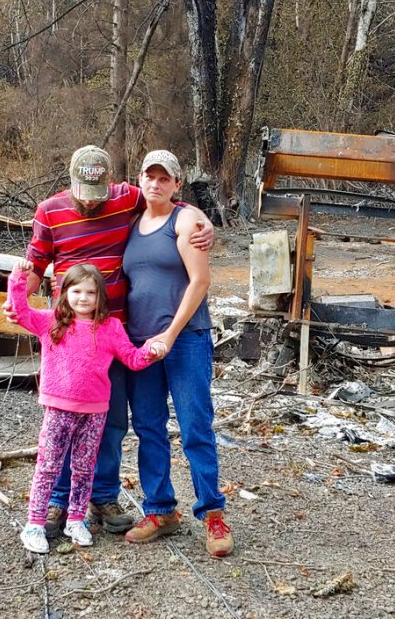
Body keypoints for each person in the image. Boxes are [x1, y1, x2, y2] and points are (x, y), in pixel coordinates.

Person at [3, 145, 214, 538]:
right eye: (83, 192)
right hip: (66, 331)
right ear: (70, 181)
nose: (90, 200)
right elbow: (34, 260)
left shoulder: (127, 198)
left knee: (109, 420)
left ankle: (101, 495)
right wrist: (19, 298)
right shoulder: (50, 211)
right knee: (62, 417)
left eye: (98, 193)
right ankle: (57, 501)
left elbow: (168, 201)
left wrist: (202, 224)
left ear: (112, 185)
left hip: (114, 330)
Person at [121, 150, 233, 557]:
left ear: (176, 184)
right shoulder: (130, 223)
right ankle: (161, 510)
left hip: (184, 340)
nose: (155, 184)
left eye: (164, 178)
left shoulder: (186, 220)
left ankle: (213, 515)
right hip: (140, 343)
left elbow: (200, 281)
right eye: (149, 176)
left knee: (194, 427)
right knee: (149, 427)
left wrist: (170, 334)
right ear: (139, 179)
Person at [8, 260, 162, 553]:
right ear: (65, 292)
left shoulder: (111, 328)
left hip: (95, 411)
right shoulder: (51, 321)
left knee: (84, 467)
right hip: (58, 409)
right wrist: (18, 278)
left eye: (90, 292)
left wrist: (151, 352)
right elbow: (19, 311)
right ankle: (35, 523)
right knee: (49, 465)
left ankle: (76, 519)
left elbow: (131, 358)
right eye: (76, 291)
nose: (83, 298)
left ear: (99, 297)